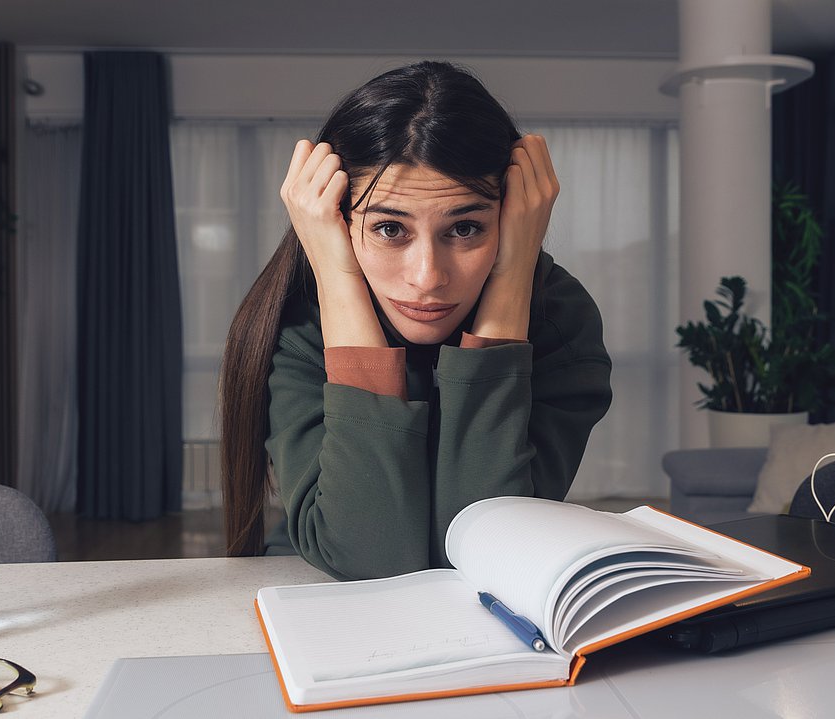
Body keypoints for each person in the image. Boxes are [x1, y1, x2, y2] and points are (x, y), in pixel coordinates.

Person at [220, 61, 612, 580]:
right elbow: (366, 556)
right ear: (334, 220)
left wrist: (513, 276)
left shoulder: (559, 320)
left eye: (466, 227)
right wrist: (337, 279)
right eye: (388, 228)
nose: (427, 277)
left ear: (516, 218)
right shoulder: (298, 325)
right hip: (313, 593)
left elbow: (488, 547)